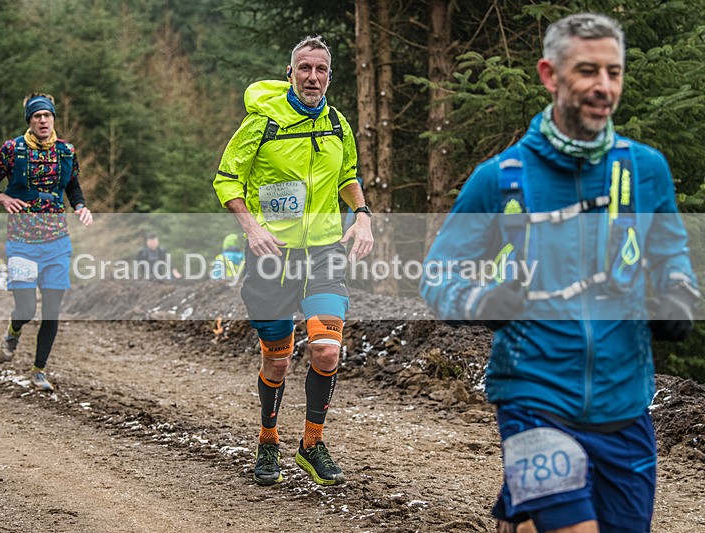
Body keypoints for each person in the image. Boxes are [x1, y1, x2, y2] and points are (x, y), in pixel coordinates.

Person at [420, 14, 699, 533]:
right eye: (587, 71)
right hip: (533, 395)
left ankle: (521, 517)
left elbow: (670, 256)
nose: (604, 86)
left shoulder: (647, 170)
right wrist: (482, 301)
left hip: (624, 406)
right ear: (550, 75)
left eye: (614, 72)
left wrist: (678, 296)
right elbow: (438, 273)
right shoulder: (500, 178)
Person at [213, 35, 373, 486]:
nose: (312, 77)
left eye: (321, 70)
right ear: (290, 73)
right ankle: (268, 440)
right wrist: (252, 228)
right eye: (305, 68)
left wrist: (362, 215)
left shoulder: (338, 124)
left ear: (330, 77)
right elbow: (227, 180)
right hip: (273, 258)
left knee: (326, 350)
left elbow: (347, 176)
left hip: (324, 252)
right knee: (278, 362)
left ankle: (311, 444)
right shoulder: (261, 123)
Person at [0, 92, 93, 392]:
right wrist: (2, 198)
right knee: (27, 309)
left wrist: (80, 206)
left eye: (47, 115)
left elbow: (73, 186)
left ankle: (38, 370)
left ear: (53, 118)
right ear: (29, 121)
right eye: (37, 116)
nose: (43, 121)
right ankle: (14, 328)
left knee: (52, 311)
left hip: (57, 243)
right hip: (22, 242)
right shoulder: (12, 150)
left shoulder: (66, 151)